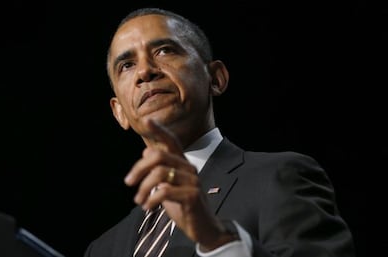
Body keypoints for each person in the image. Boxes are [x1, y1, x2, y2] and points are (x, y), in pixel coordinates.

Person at [84, 7, 356, 257]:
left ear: (215, 78)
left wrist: (216, 239)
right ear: (118, 112)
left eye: (165, 50)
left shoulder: (280, 177)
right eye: (127, 65)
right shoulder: (103, 249)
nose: (145, 71)